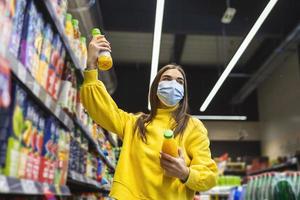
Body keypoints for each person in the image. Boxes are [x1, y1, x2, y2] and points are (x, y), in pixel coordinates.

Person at [80, 34, 218, 200]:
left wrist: (186, 173)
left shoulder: (193, 126)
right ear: (156, 87)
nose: (173, 84)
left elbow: (209, 177)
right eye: (167, 79)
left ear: (184, 93)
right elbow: (100, 109)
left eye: (179, 81)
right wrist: (91, 66)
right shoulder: (135, 123)